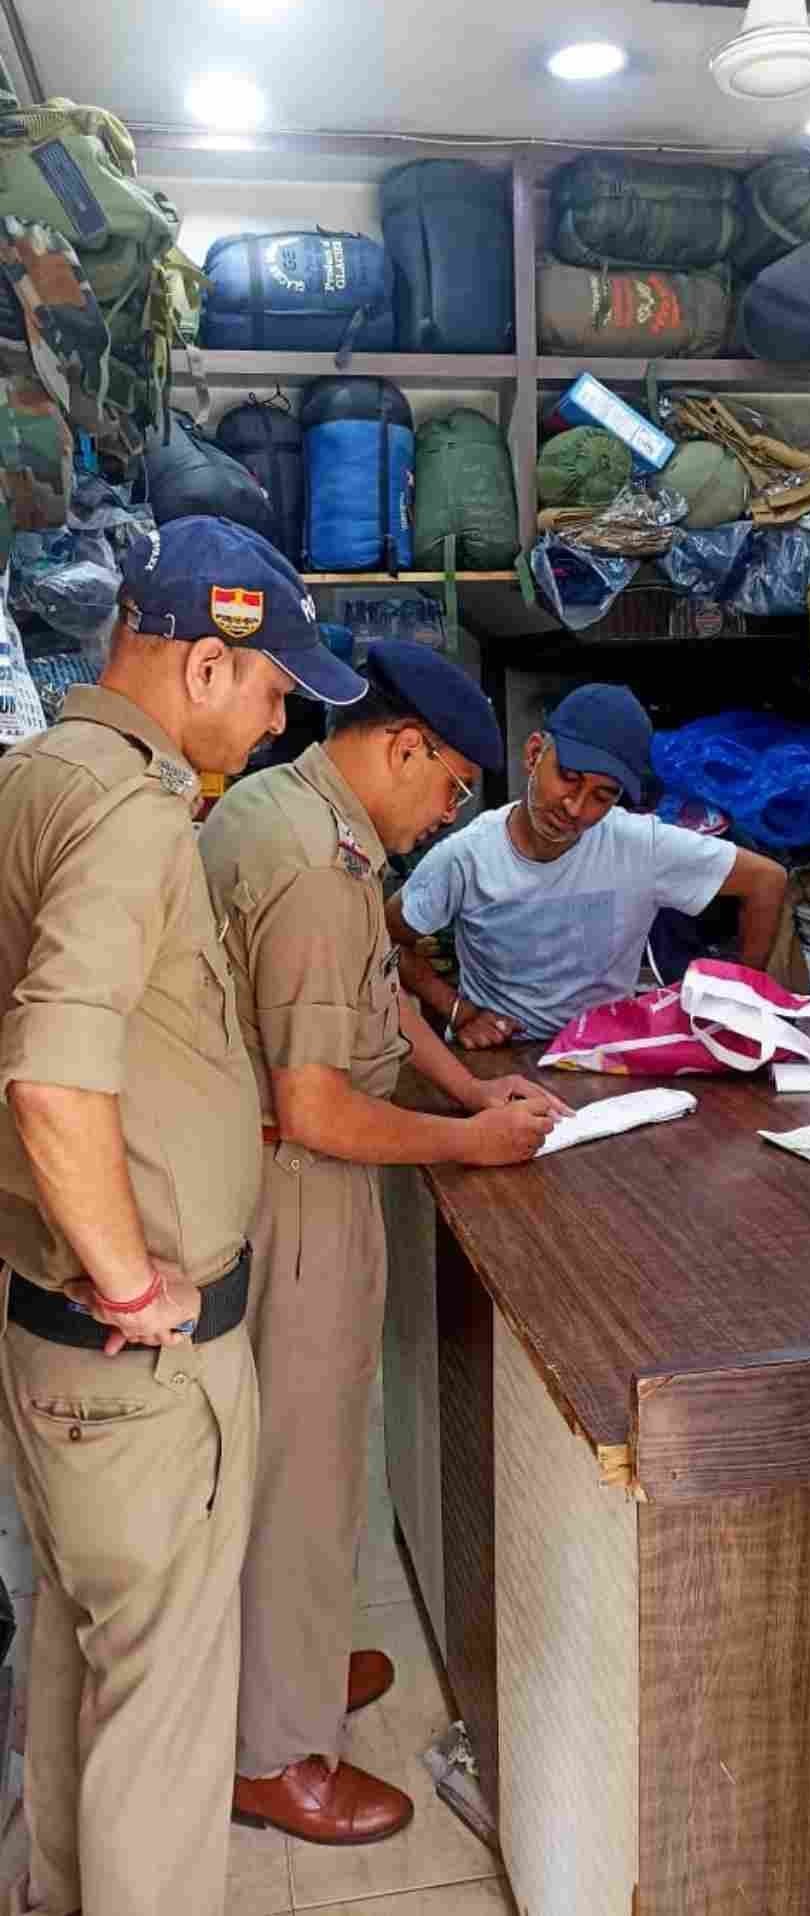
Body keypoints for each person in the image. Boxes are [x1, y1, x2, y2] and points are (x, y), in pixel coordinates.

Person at [0, 515, 365, 1916]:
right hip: (135, 1359)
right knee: (163, 1719)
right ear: (205, 664)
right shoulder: (133, 815)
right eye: (273, 688)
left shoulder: (35, 777)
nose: (279, 722)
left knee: (82, 1654)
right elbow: (50, 1074)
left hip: (48, 1336)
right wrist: (133, 1281)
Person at [199, 640, 565, 1848]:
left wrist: (472, 1091)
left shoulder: (310, 817)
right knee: (300, 1479)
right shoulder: (314, 864)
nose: (452, 811)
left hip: (289, 1179)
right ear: (405, 746)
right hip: (294, 1186)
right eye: (453, 784)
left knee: (299, 1464)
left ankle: (288, 1664)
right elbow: (312, 1105)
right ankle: (275, 1754)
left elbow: (382, 1000)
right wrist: (471, 1145)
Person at [386, 683, 788, 1048]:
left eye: (603, 796)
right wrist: (459, 1011)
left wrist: (732, 1006)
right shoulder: (467, 856)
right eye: (568, 777)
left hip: (605, 1055)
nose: (576, 808)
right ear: (533, 754)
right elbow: (385, 937)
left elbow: (766, 881)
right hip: (498, 1054)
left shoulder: (641, 845)